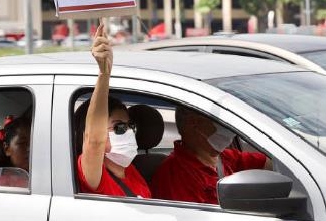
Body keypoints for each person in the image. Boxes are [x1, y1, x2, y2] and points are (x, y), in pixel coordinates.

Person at [74, 21, 151, 198]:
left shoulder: (130, 170)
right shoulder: (95, 175)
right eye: (119, 127)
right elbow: (94, 141)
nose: (129, 132)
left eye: (130, 126)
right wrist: (104, 74)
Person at [150, 106, 272, 204]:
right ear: (193, 123)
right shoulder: (175, 177)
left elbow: (270, 164)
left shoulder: (223, 157)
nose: (228, 127)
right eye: (220, 120)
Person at [0, 115, 31, 187]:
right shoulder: (2, 183)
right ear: (6, 149)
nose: (29, 149)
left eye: (34, 143)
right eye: (22, 143)